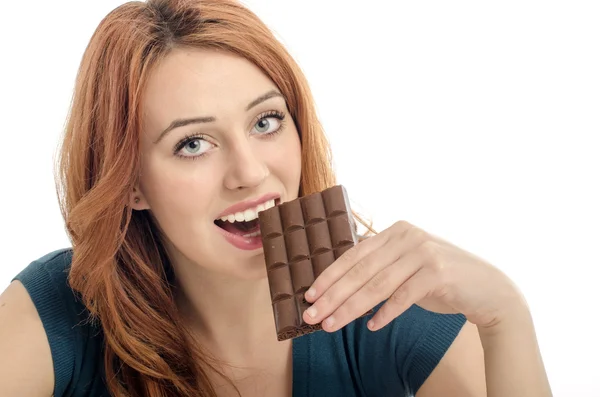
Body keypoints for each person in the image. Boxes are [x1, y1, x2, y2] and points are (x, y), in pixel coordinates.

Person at [0, 0, 553, 396]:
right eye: (193, 143)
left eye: (266, 121)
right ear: (132, 182)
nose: (250, 171)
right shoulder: (56, 313)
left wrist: (507, 316)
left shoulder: (389, 307)